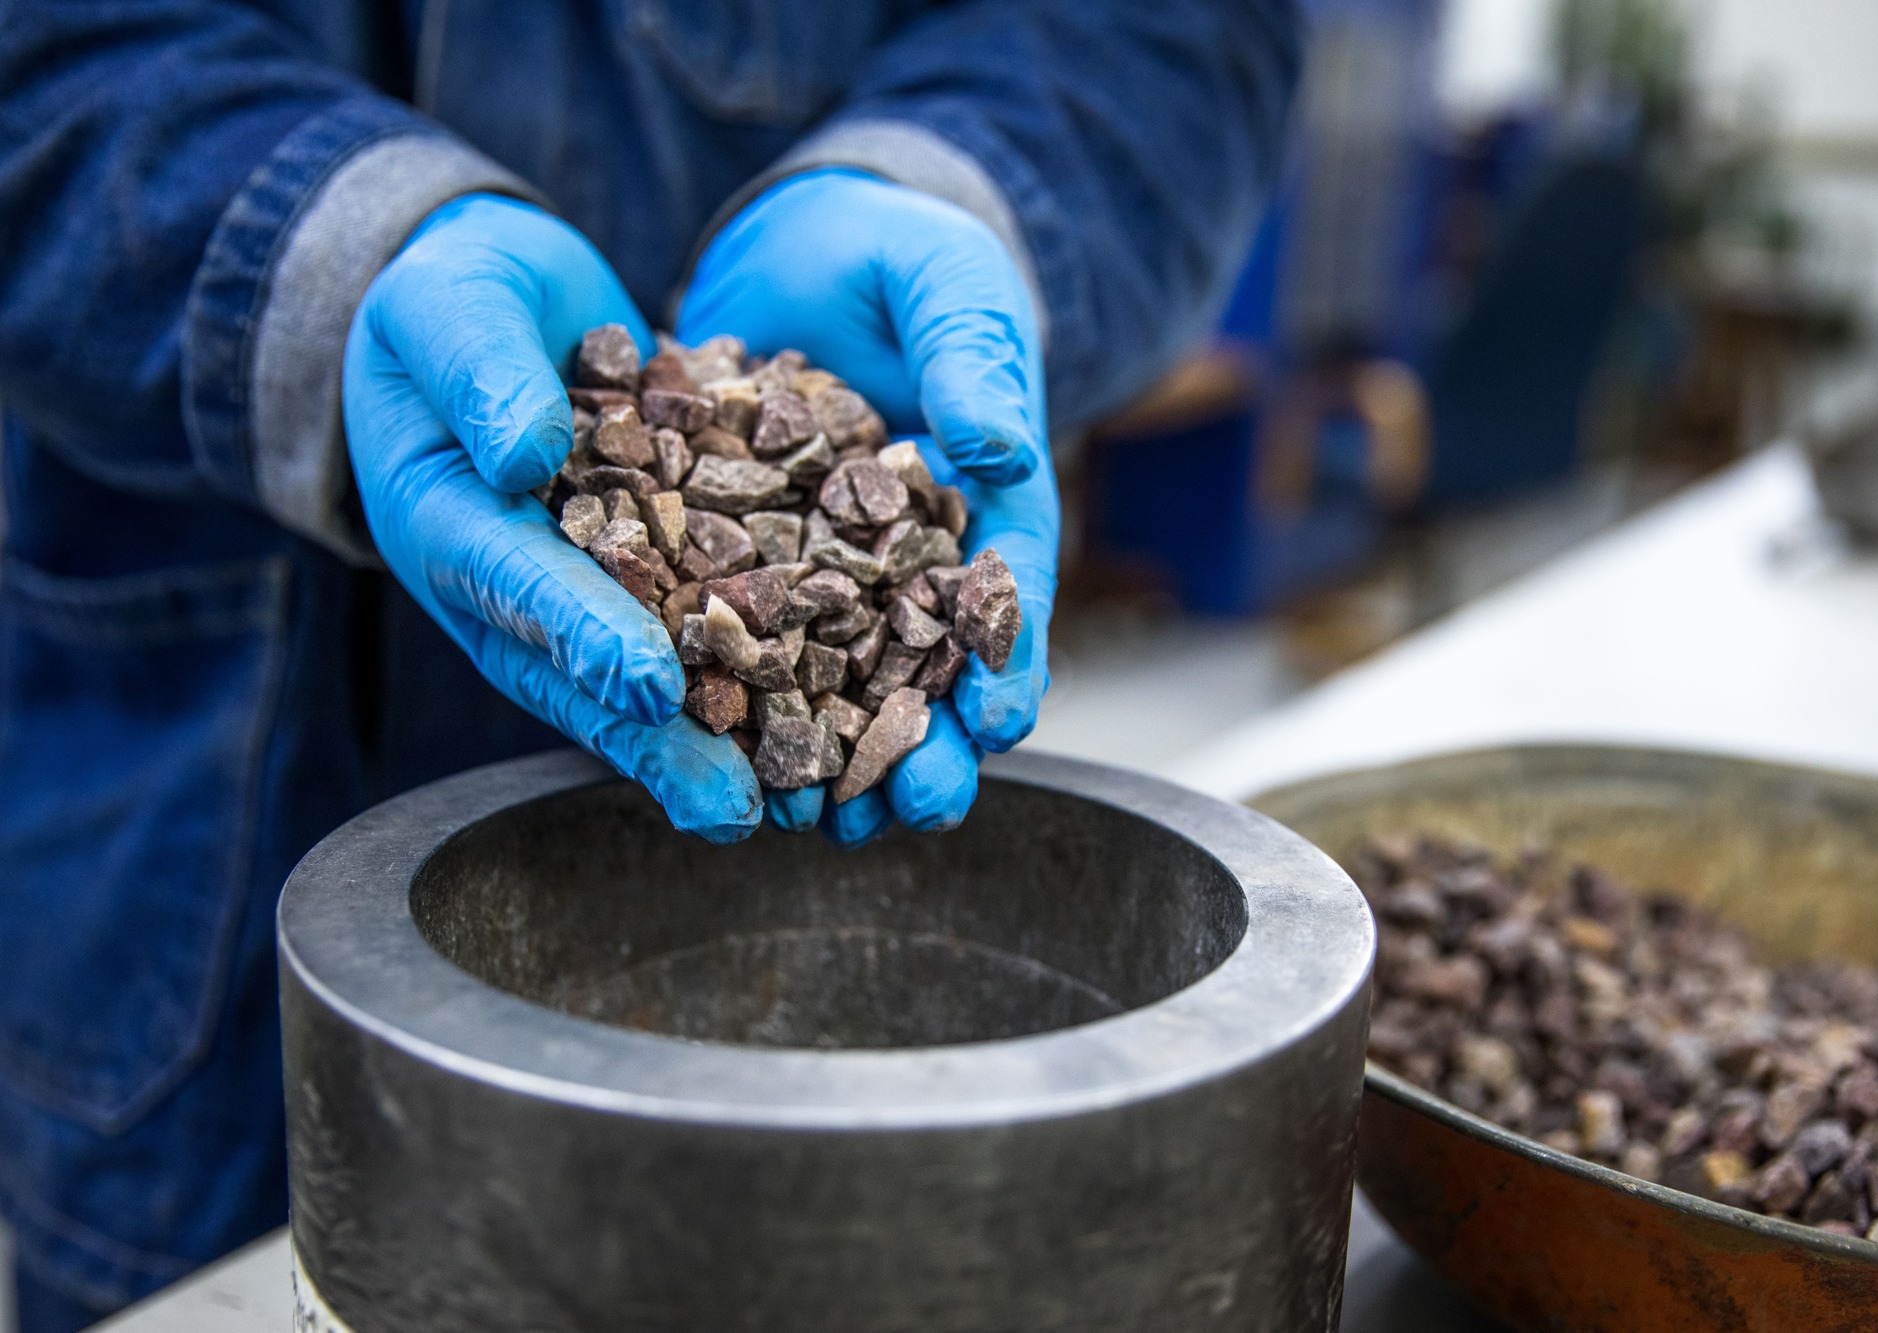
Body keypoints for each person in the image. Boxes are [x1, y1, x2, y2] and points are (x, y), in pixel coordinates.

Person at [0, 3, 1297, 1327]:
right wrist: (329, 252)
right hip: (187, 927)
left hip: (796, 979)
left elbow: (1174, 32)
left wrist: (957, 175)